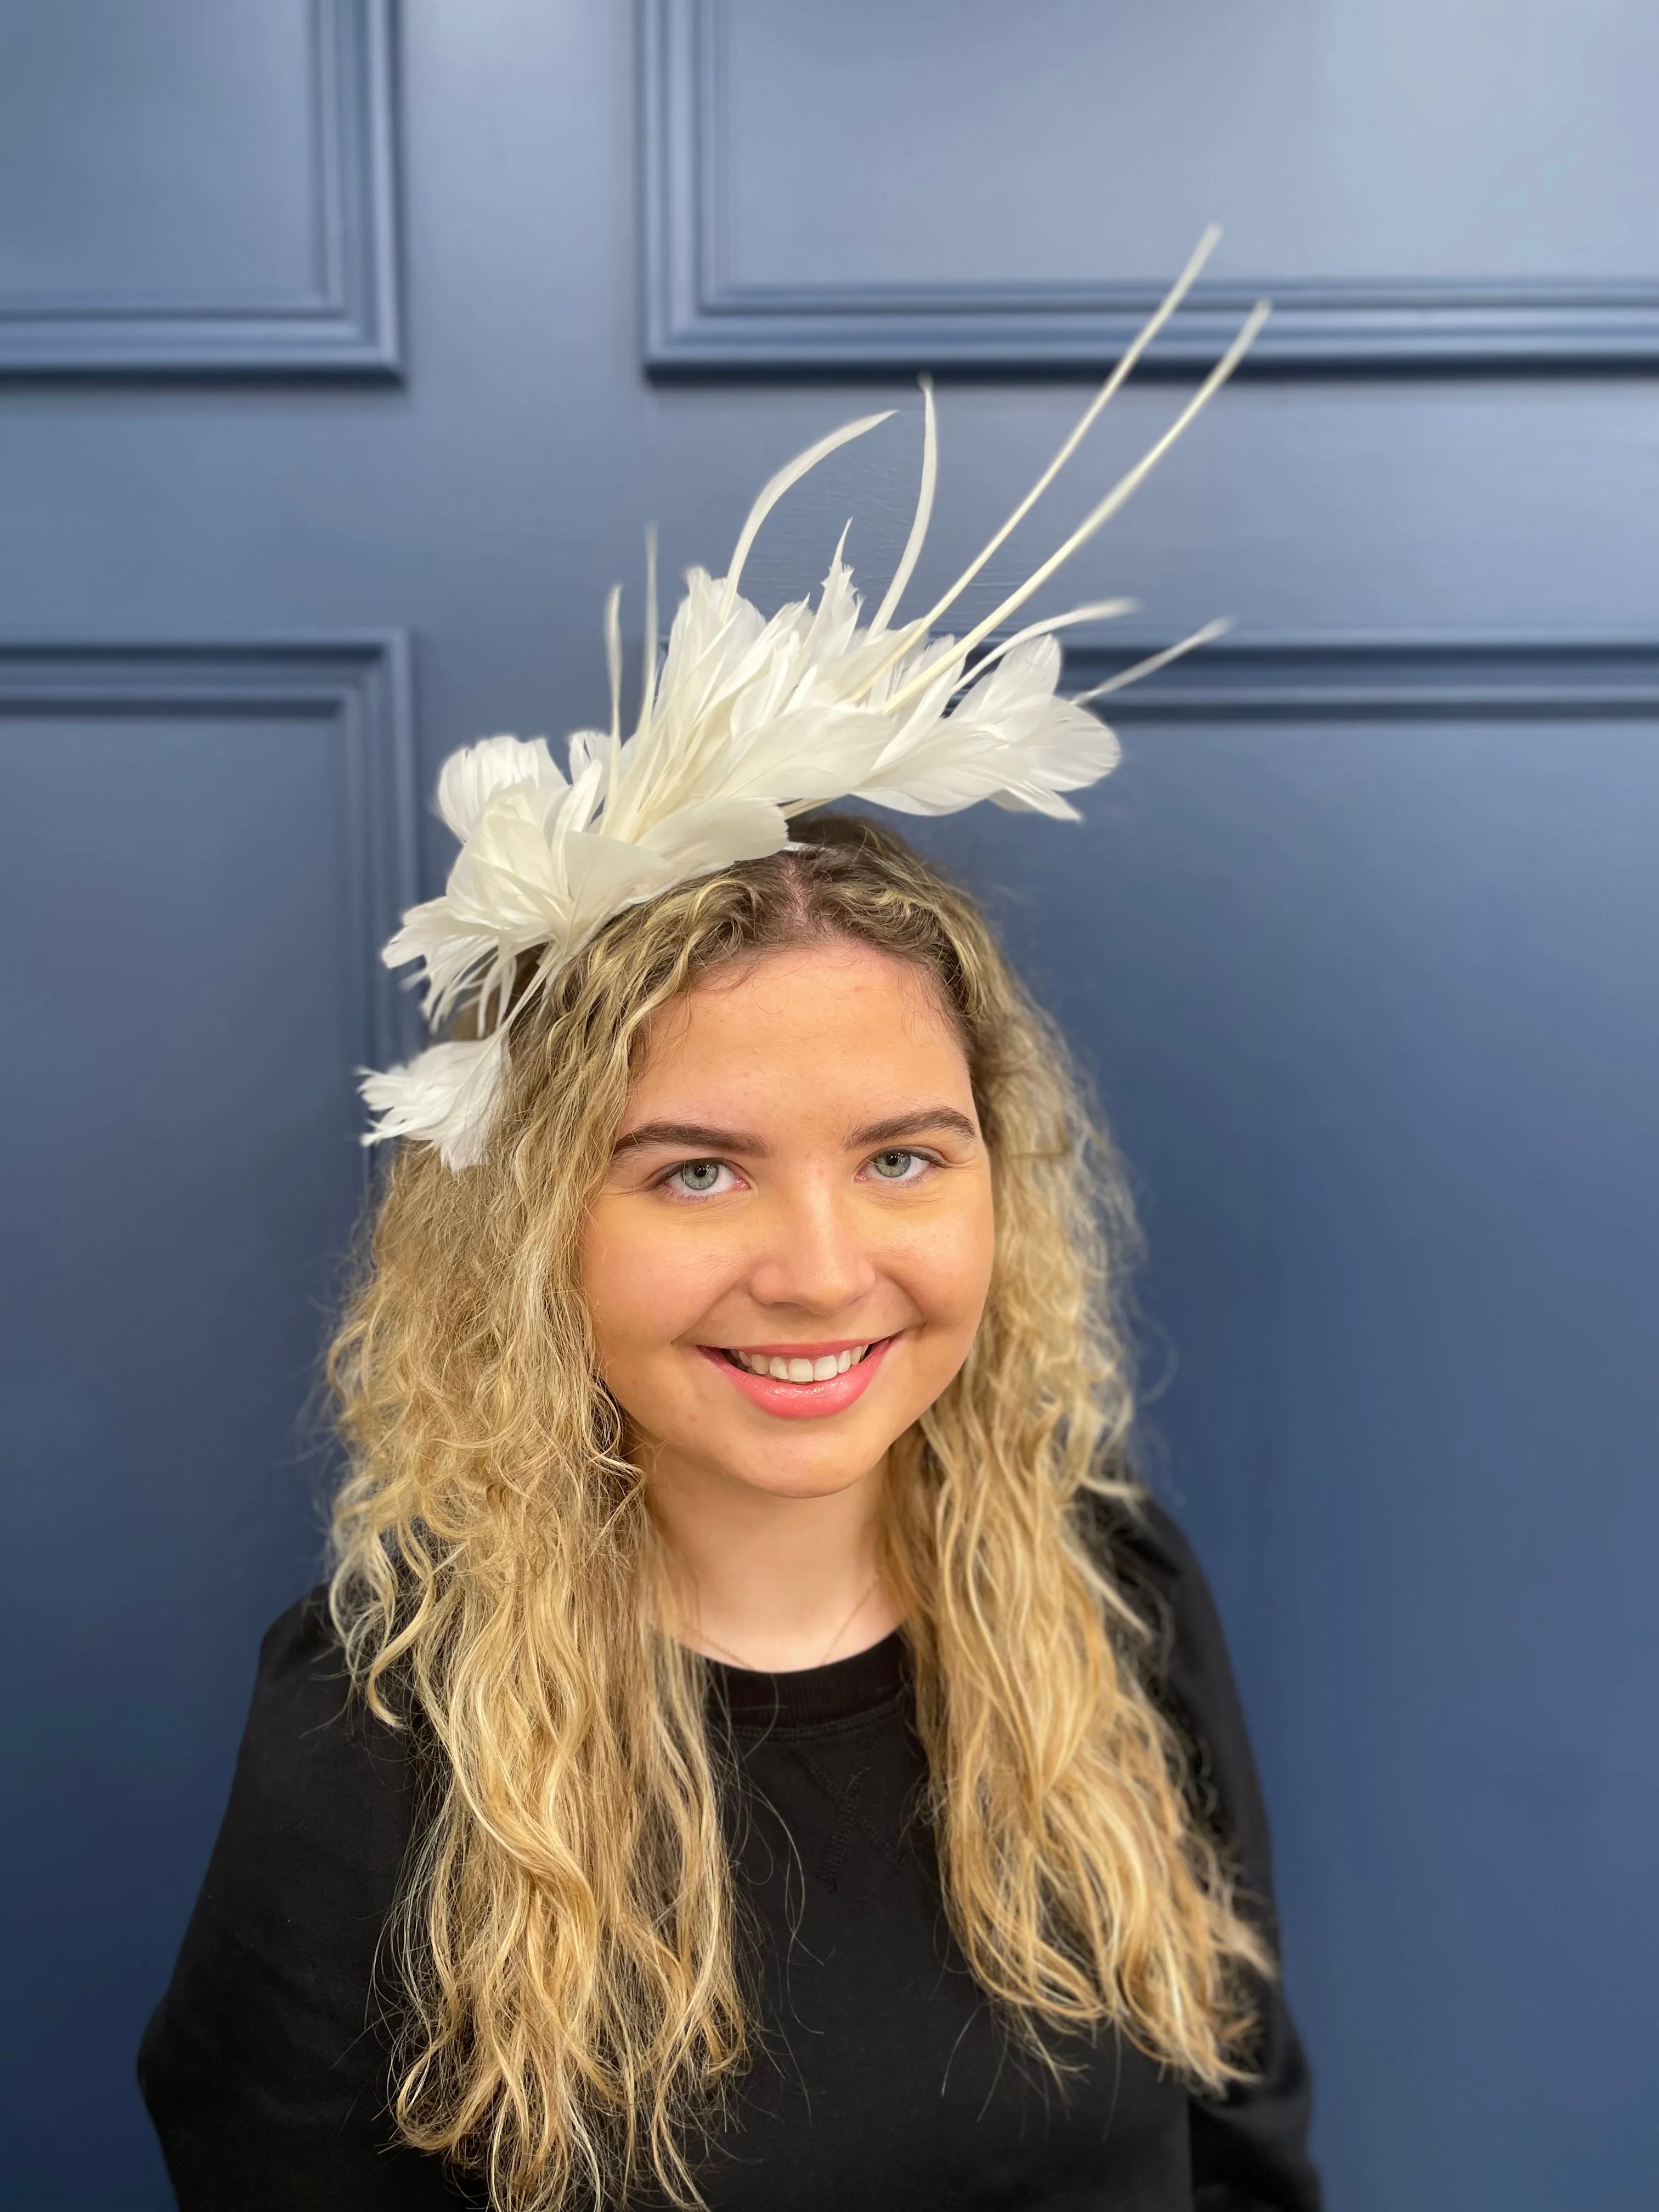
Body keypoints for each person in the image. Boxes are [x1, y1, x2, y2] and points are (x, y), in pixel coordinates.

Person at [139, 250, 1319, 2210]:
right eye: (696, 1167)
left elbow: (1250, 2150)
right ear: (537, 1234)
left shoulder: (1116, 1603)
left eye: (904, 1158)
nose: (822, 1267)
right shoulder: (377, 1732)